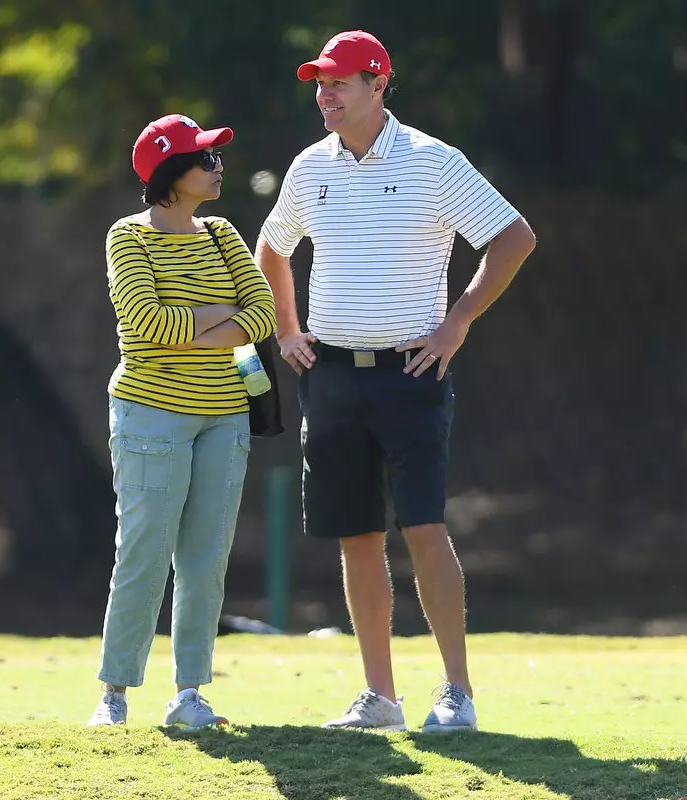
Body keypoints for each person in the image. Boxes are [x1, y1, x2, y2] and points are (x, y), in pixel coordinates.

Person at [256, 30, 537, 733]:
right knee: (356, 535)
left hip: (409, 375)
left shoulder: (432, 162)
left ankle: (457, 694)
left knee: (422, 527)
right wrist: (287, 330)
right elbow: (272, 246)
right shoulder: (308, 167)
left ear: (378, 85)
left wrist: (457, 323)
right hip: (332, 378)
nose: (325, 95)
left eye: (339, 83)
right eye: (319, 83)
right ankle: (380, 697)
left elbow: (513, 238)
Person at [89, 113, 277, 728]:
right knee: (143, 549)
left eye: (217, 158)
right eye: (206, 159)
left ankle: (190, 694)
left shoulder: (222, 233)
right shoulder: (129, 237)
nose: (218, 167)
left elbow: (265, 312)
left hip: (224, 415)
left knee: (205, 558)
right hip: (150, 414)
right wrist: (224, 317)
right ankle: (115, 693)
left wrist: (199, 321)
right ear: (171, 172)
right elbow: (146, 327)